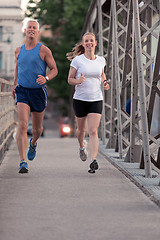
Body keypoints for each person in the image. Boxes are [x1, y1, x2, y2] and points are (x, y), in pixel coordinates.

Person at [12, 19, 58, 173]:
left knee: (37, 129)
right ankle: (23, 161)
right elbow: (18, 67)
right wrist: (14, 85)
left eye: (34, 28)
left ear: (38, 32)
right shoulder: (18, 50)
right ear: (25, 30)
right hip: (22, 91)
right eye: (29, 27)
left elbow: (54, 69)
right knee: (23, 125)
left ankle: (33, 143)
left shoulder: (44, 50)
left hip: (38, 92)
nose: (31, 29)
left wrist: (46, 78)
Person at [67, 32, 110, 174]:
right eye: (86, 41)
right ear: (83, 43)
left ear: (95, 43)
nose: (89, 43)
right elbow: (70, 79)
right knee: (81, 130)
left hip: (96, 99)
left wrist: (105, 82)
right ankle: (81, 147)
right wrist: (78, 81)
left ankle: (93, 160)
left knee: (93, 131)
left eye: (91, 41)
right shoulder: (78, 61)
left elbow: (101, 74)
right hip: (80, 99)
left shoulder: (101, 60)